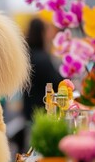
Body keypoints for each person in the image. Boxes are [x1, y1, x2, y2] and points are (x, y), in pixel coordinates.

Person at [12, 18, 63, 153]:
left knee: (29, 148)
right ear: (41, 32)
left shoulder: (26, 56)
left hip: (28, 109)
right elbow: (57, 82)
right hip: (42, 110)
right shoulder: (42, 58)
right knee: (38, 149)